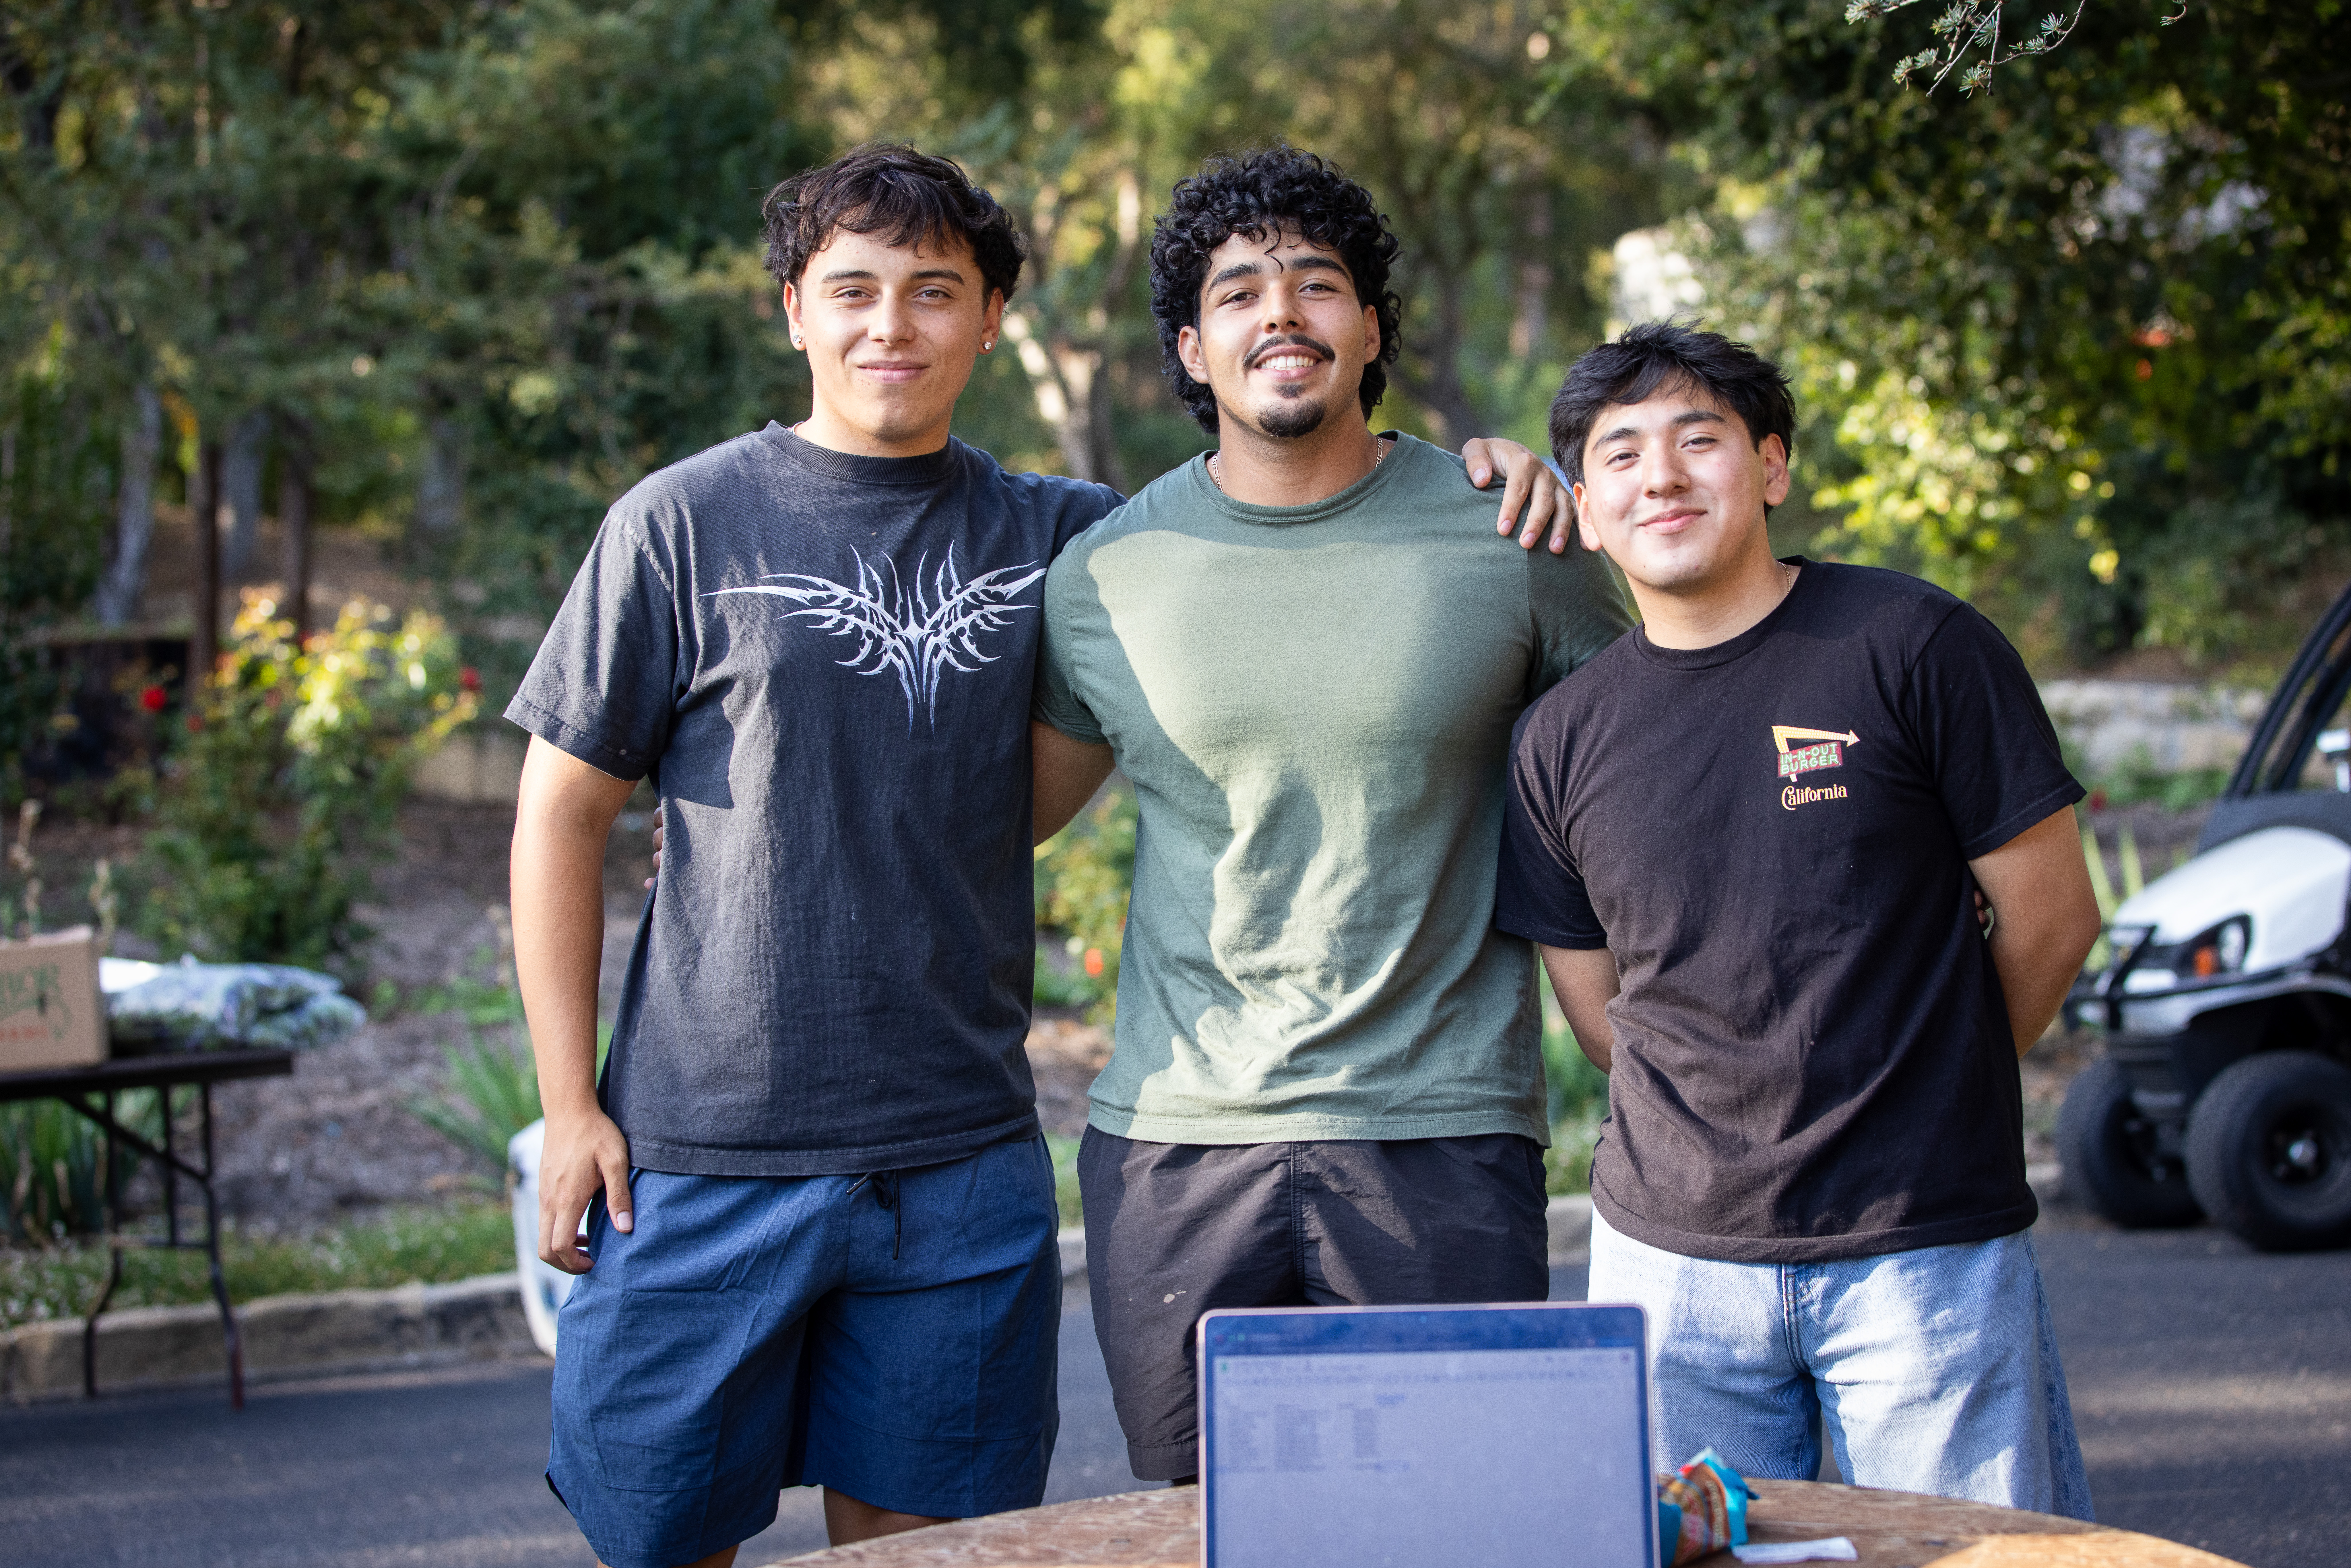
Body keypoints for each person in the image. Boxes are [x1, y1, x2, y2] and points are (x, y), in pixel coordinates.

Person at [508, 142, 1575, 1568]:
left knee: (930, 1546)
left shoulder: (1069, 539)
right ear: (793, 311)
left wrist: (1504, 468)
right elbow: (559, 812)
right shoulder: (682, 522)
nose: (892, 324)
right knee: (659, 1537)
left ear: (991, 317)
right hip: (702, 1145)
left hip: (959, 1157)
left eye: (933, 291)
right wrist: (567, 1103)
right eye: (854, 290)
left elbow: (1272, 509)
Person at [1028, 145, 1634, 1487]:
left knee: (1455, 1516)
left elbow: (1650, 761)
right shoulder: (1104, 573)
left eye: (1316, 283)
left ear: (1369, 328)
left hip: (1438, 1127)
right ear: (1191, 351)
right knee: (1214, 1526)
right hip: (1179, 1140)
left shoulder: (1514, 535)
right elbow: (1003, 820)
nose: (1280, 312)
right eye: (1238, 293)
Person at [1496, 321, 2101, 1517]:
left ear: (1769, 466)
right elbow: (1605, 1014)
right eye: (1618, 454)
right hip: (1668, 1270)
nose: (1658, 476)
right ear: (1582, 503)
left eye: (1697, 438)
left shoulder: (1910, 646)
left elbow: (2053, 919)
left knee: (1970, 1556)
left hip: (1920, 1249)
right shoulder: (1557, 740)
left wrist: (1929, 1082)